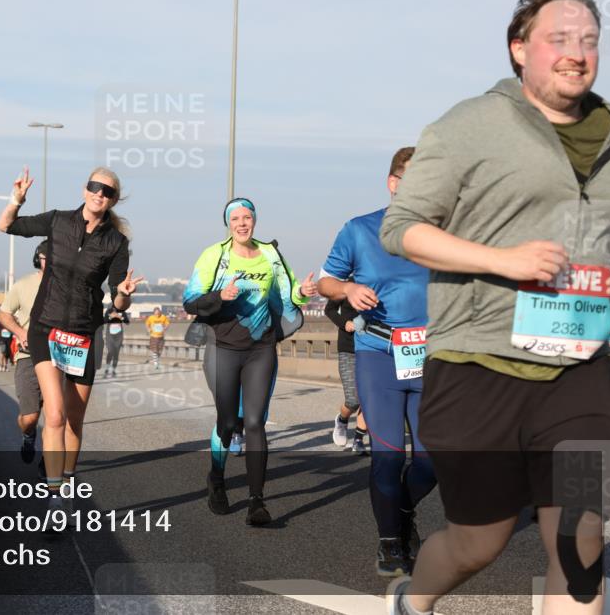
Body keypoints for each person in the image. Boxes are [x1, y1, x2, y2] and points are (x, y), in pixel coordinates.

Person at [380, 0, 610, 615]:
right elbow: (402, 228)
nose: (576, 53)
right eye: (558, 39)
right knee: (479, 541)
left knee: (579, 541)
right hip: (478, 365)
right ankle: (412, 599)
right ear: (519, 48)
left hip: (579, 372)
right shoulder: (469, 126)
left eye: (588, 40)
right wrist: (502, 260)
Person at [318, 147, 436, 577]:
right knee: (387, 456)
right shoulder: (360, 229)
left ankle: (401, 513)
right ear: (394, 183)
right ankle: (390, 541)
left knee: (433, 461)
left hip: (431, 356)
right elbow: (327, 281)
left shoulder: (446, 234)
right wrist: (348, 290)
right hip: (378, 354)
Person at [0, 165, 142, 513]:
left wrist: (123, 294)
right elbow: (6, 226)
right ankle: (55, 497)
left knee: (74, 421)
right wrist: (16, 199)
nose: (100, 194)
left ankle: (68, 481)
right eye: (95, 186)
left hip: (82, 335)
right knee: (55, 416)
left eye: (108, 191)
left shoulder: (116, 243)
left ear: (113, 200)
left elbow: (118, 300)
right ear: (84, 189)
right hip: (45, 329)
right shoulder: (58, 220)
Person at [183, 197, 317, 525]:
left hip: (261, 348)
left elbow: (288, 295)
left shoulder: (270, 254)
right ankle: (216, 479)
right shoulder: (215, 255)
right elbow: (190, 300)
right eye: (236, 219)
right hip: (223, 347)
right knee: (228, 422)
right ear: (228, 224)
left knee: (255, 422)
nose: (242, 223)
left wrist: (303, 292)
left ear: (254, 220)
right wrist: (220, 296)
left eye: (247, 218)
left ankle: (257, 501)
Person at [0, 240, 49, 463]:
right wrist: (20, 333)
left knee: (56, 418)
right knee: (30, 418)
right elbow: (4, 313)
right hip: (29, 356)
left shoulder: (67, 285)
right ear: (38, 259)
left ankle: (49, 466)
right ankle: (28, 435)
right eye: (46, 257)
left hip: (59, 356)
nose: (51, 261)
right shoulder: (23, 285)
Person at [325, 297, 370, 454]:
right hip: (348, 348)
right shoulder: (344, 286)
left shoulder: (378, 285)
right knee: (353, 400)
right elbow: (329, 309)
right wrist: (345, 323)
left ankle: (358, 440)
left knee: (368, 397)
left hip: (372, 348)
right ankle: (342, 420)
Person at [102, 306, 129, 377]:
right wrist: (110, 317)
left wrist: (120, 318)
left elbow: (127, 322)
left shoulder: (122, 311)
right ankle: (107, 369)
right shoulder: (109, 311)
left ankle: (113, 370)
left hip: (119, 336)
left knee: (116, 353)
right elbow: (104, 321)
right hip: (110, 335)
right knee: (110, 351)